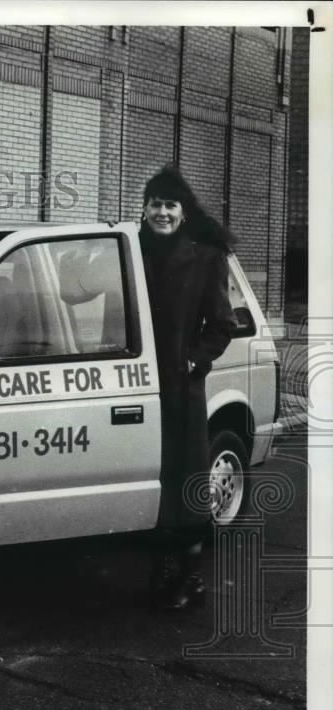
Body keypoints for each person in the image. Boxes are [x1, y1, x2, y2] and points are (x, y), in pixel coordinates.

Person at [139, 166, 238, 609]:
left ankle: (191, 578)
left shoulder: (206, 257)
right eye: (155, 203)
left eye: (170, 205)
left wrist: (196, 356)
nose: (162, 212)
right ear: (144, 208)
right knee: (156, 476)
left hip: (182, 385)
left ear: (183, 212)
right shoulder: (128, 250)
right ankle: (160, 570)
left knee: (188, 478)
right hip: (138, 383)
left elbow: (222, 324)